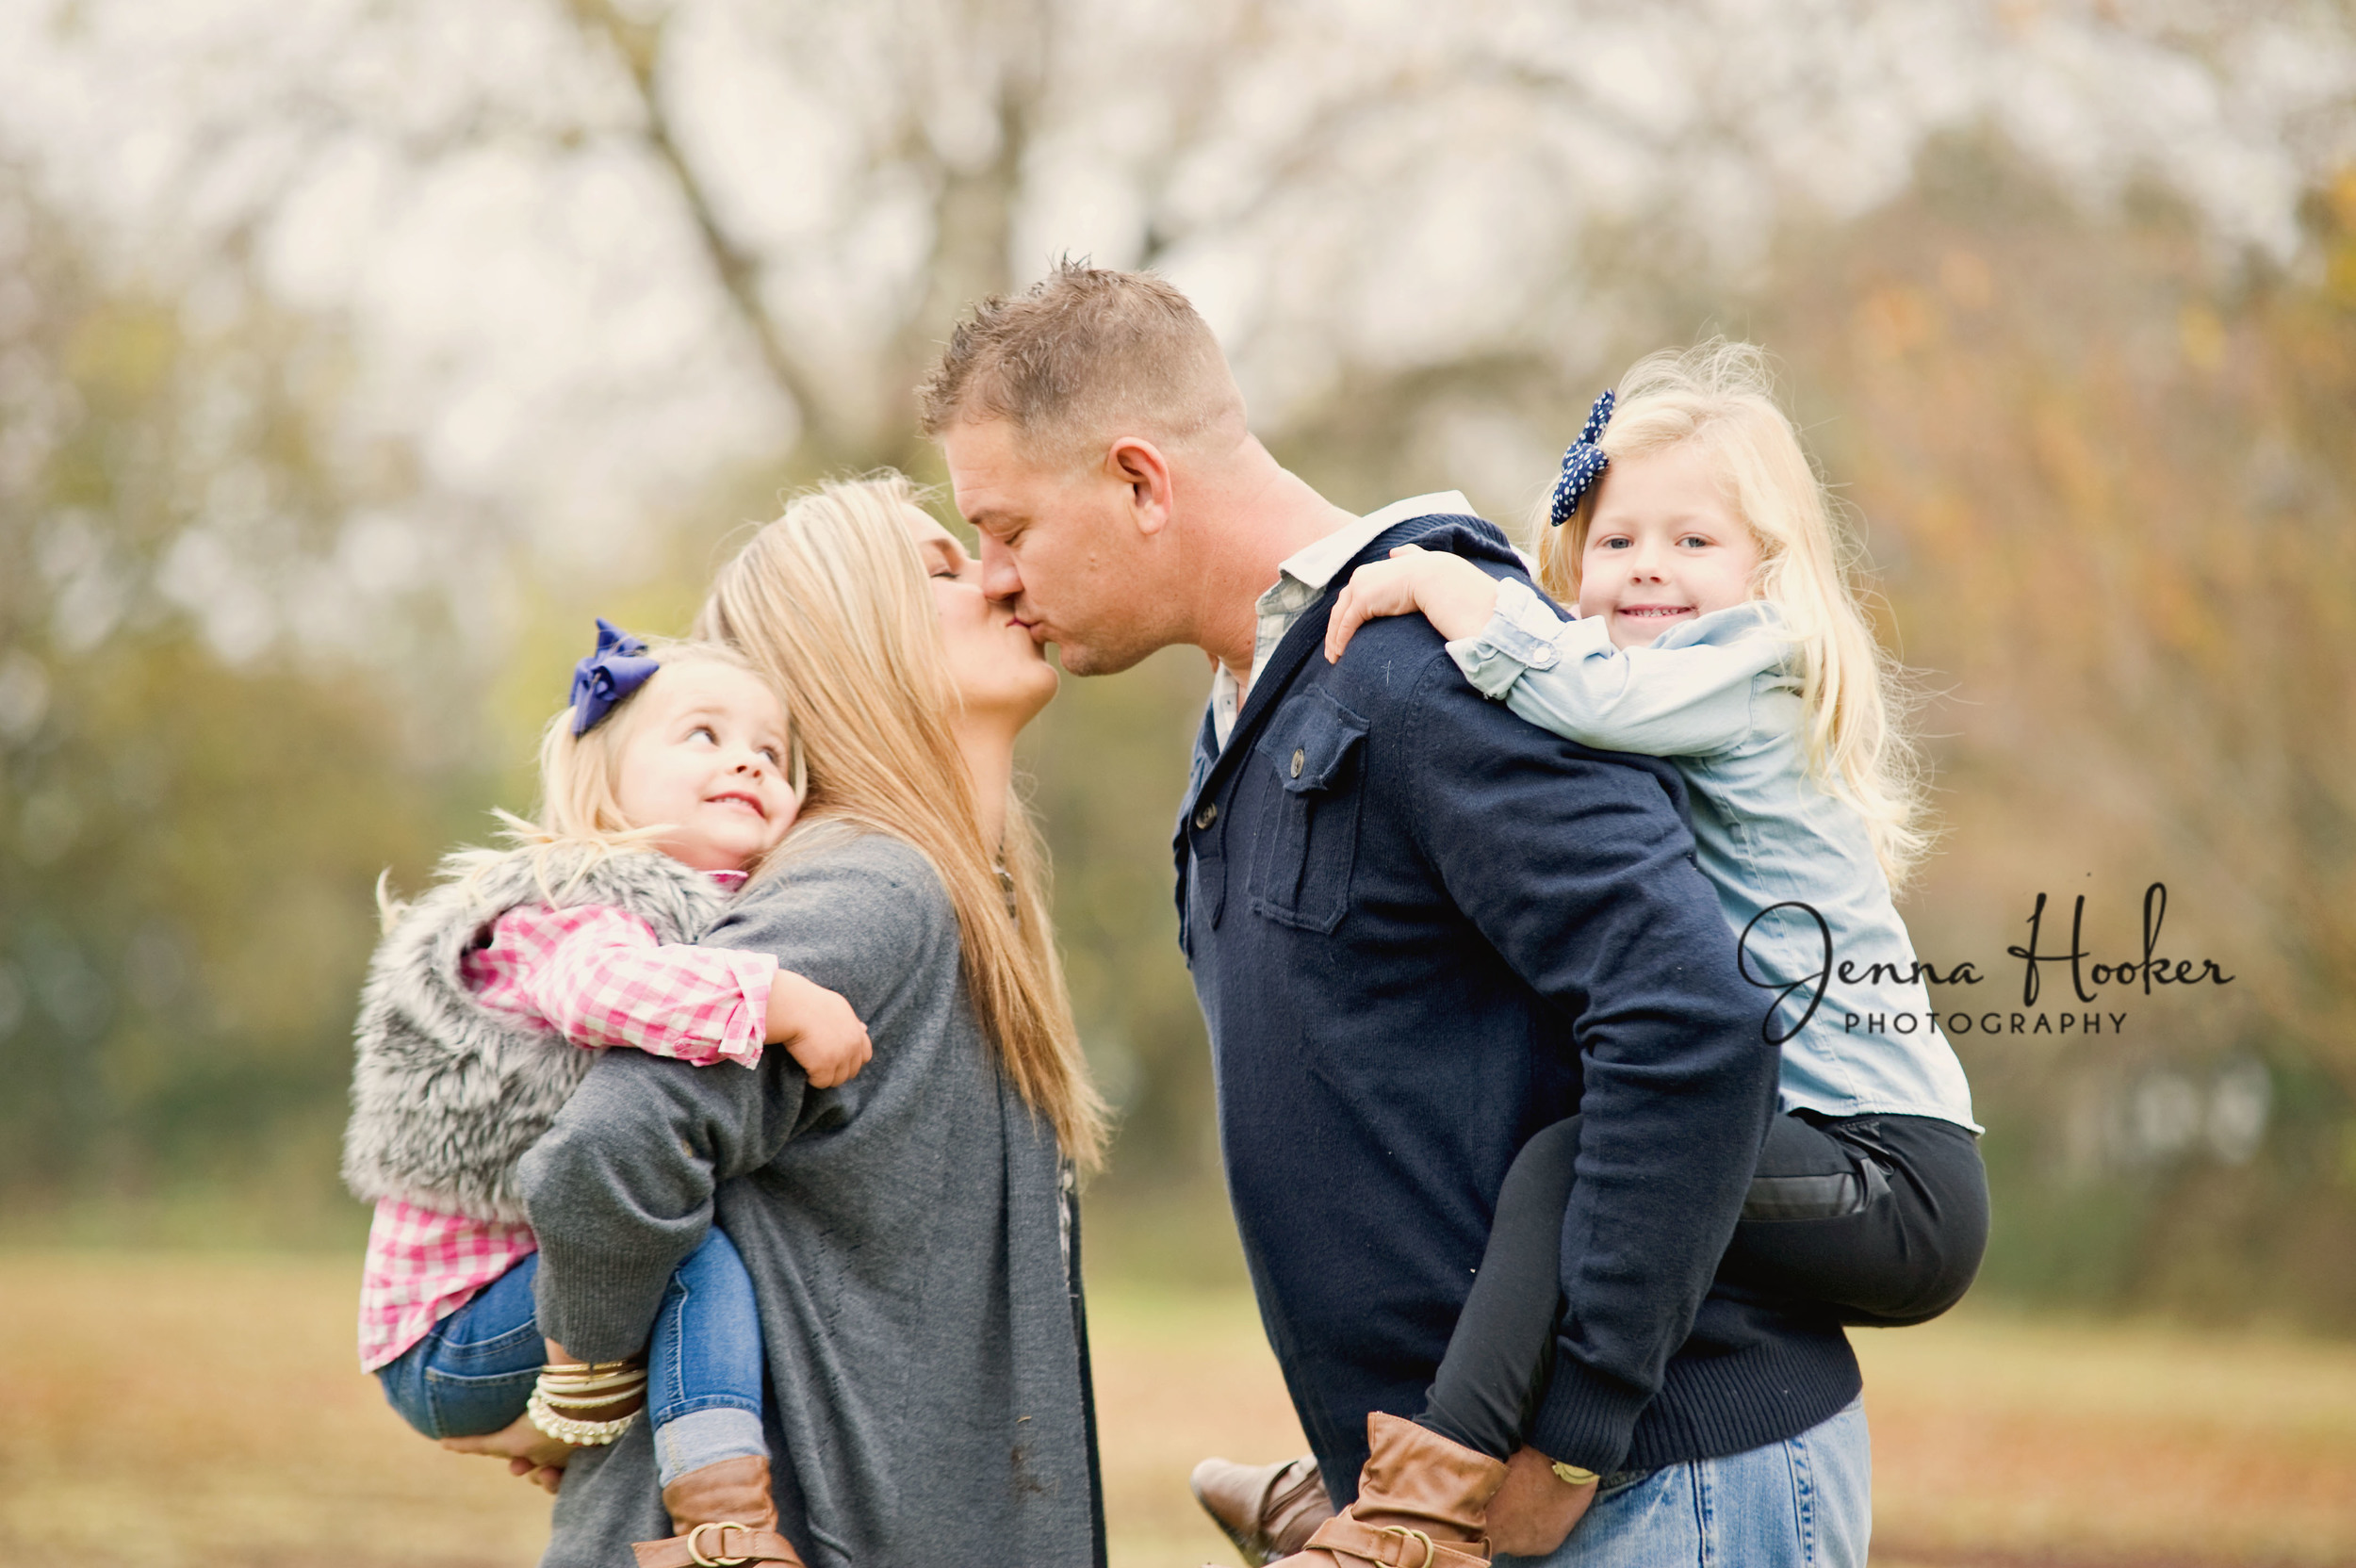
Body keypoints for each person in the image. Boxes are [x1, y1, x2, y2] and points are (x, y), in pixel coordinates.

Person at [922, 265, 1869, 1568]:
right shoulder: (1258, 705)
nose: (994, 577)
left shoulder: (1425, 665)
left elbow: (1695, 1020)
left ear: (1141, 482)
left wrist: (1569, 1445)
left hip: (1649, 1489)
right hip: (1486, 1513)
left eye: (1007, 527)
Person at [1278, 339, 1988, 1547]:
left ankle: (1416, 1511)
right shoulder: (1672, 683)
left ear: (1771, 570)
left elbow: (1589, 692)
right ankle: (1347, 1475)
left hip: (1895, 1174)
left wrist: (1460, 599)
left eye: (1692, 541)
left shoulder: (1748, 663)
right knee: (1591, 1176)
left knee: (1580, 1167)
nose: (1647, 568)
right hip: (1841, 1153)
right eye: (1616, 542)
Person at [469, 476, 1111, 1568]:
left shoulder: (953, 899)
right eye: (941, 569)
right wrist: (582, 1377)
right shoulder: (870, 889)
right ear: (851, 643)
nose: (999, 573)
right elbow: (610, 1149)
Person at [344, 626, 874, 1558]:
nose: (747, 759)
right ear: (606, 780)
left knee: (672, 1241)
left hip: (513, 1303)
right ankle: (728, 1531)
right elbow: (602, 991)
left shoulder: (712, 910)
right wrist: (777, 998)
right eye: (704, 734)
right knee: (686, 1254)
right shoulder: (576, 899)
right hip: (447, 1326)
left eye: (773, 750)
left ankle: (621, 1423)